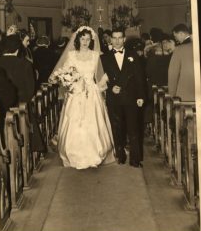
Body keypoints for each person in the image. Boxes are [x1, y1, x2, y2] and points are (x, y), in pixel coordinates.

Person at [48, 26, 115, 170]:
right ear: (78, 39)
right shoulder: (71, 55)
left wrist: (99, 86)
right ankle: (74, 153)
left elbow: (103, 75)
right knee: (75, 121)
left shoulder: (96, 55)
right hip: (76, 93)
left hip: (92, 92)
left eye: (88, 39)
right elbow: (64, 72)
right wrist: (69, 81)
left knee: (93, 121)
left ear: (92, 40)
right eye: (82, 39)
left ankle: (96, 153)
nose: (85, 42)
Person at [101, 28, 145, 167]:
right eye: (114, 38)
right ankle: (120, 155)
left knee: (133, 128)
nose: (117, 41)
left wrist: (141, 96)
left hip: (131, 97)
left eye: (120, 38)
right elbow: (99, 79)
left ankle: (135, 159)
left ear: (124, 39)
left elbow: (140, 78)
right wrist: (110, 87)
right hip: (114, 98)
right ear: (110, 39)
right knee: (117, 128)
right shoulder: (104, 57)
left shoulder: (133, 55)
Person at [168, 24, 195, 101]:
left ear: (181, 34)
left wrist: (172, 95)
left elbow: (173, 75)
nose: (176, 39)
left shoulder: (179, 49)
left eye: (176, 37)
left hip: (186, 97)